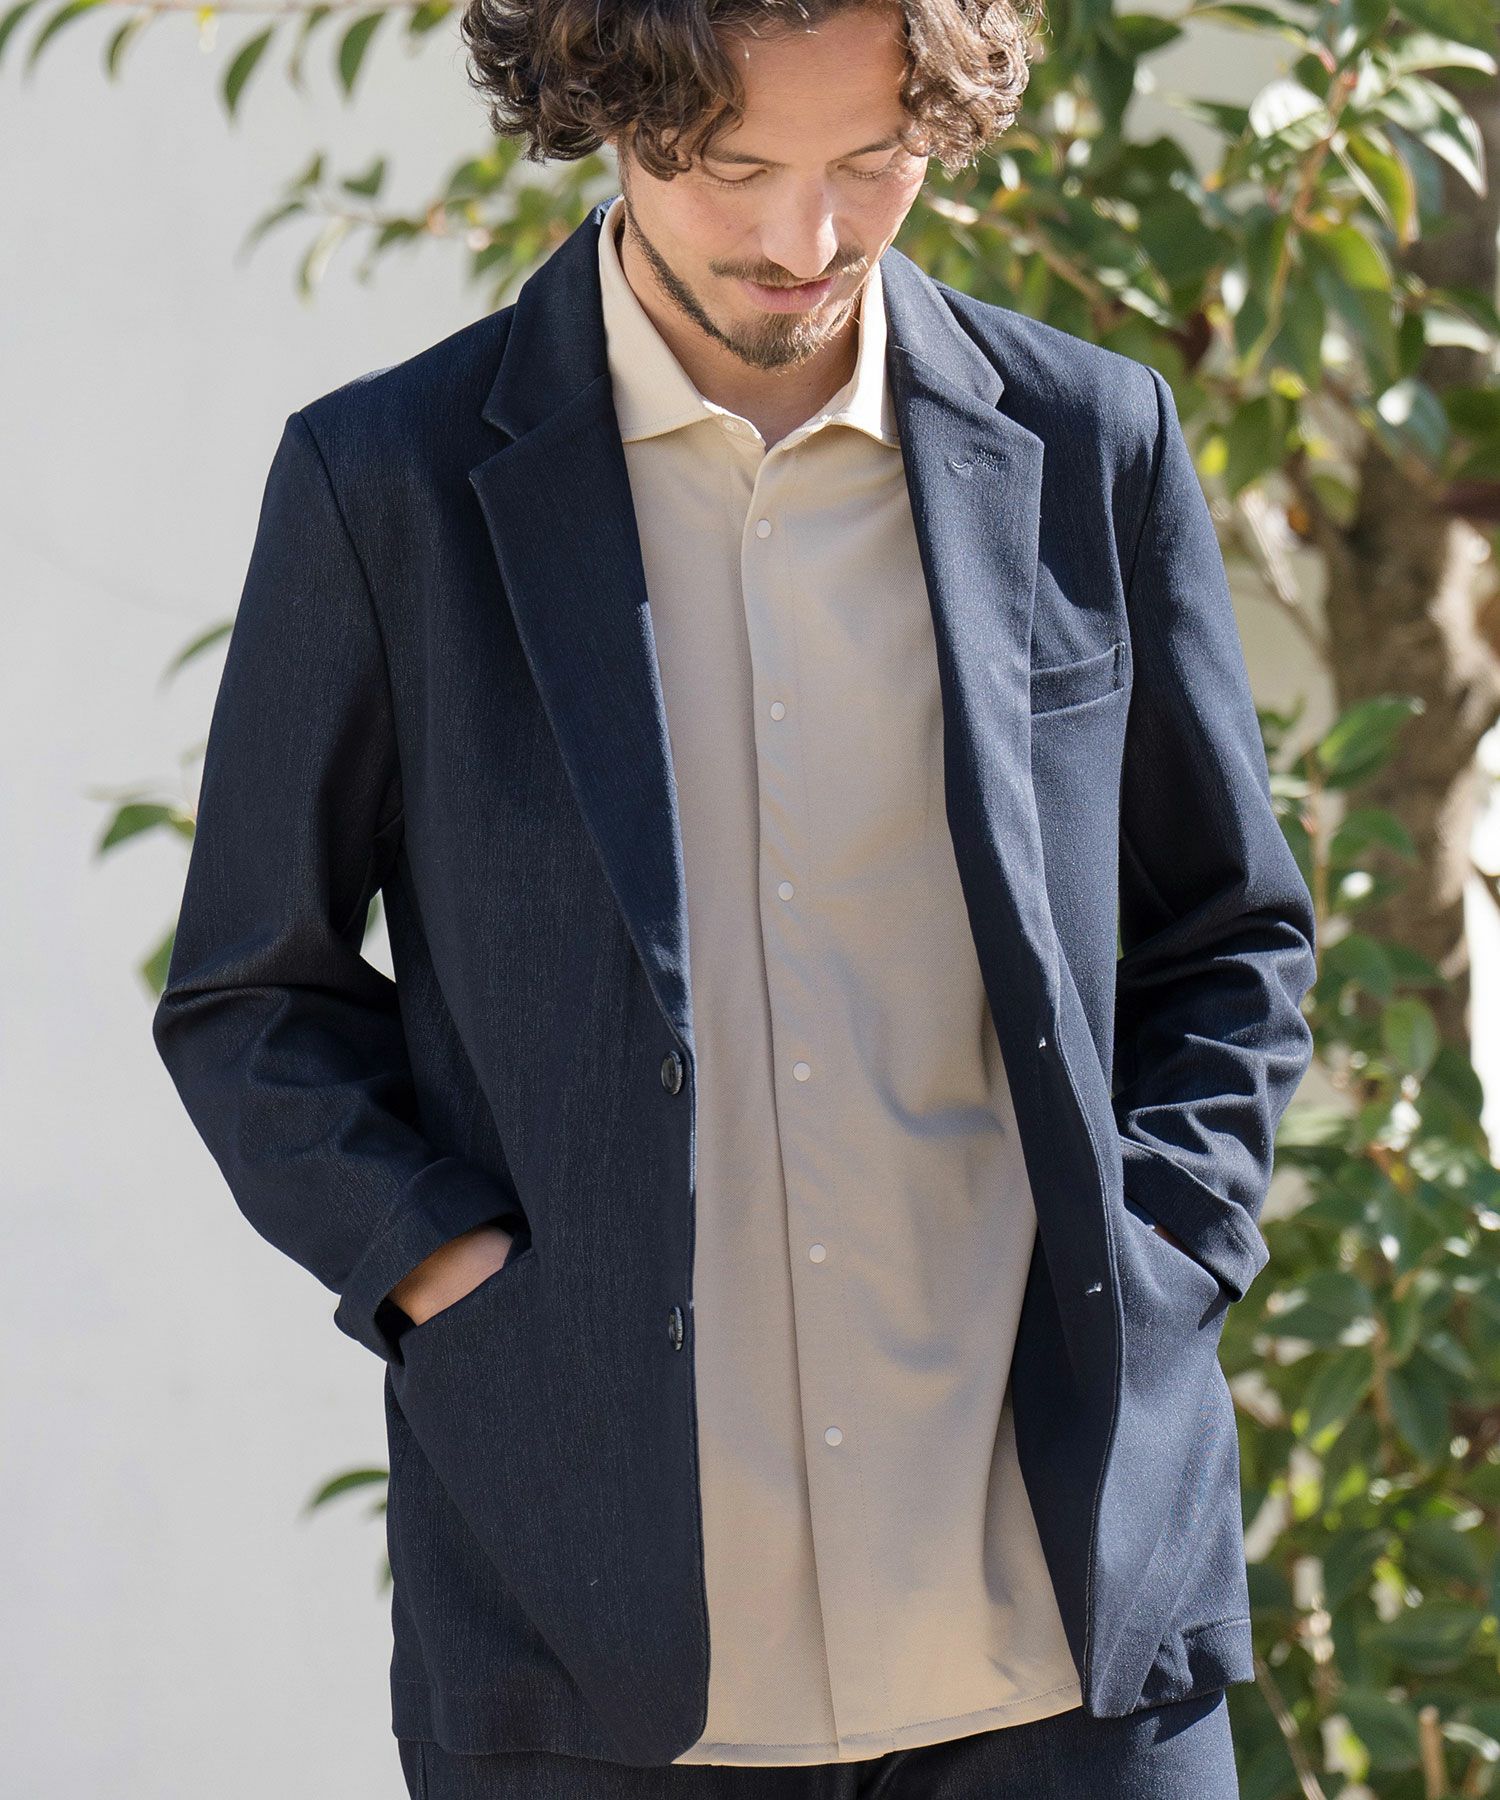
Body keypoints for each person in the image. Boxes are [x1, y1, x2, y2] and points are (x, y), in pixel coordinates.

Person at [151, 1, 1318, 1795]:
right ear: (600, 101)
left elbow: (1230, 934)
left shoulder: (1095, 441)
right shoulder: (383, 486)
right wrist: (454, 1283)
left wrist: (1166, 1245)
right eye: (733, 165)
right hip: (591, 1631)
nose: (806, 237)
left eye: (872, 162)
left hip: (1069, 1626)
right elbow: (252, 992)